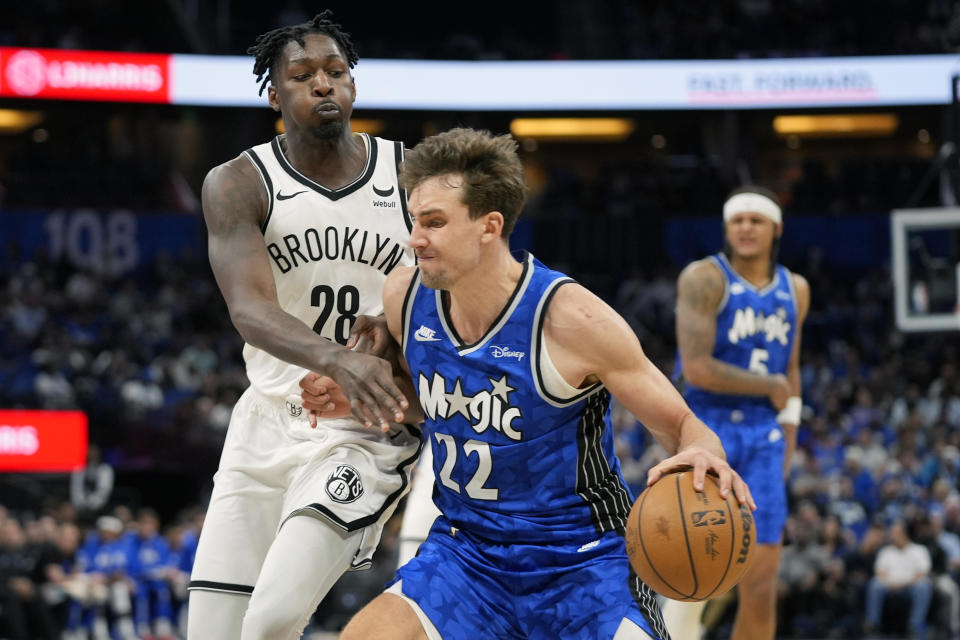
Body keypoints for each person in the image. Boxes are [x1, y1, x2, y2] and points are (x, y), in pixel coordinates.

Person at [311, 127, 754, 640]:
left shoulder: (573, 320)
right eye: (415, 221)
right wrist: (367, 393)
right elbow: (432, 403)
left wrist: (704, 454)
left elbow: (683, 425)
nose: (415, 239)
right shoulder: (405, 297)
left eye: (434, 222)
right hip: (466, 555)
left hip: (581, 562)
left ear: (489, 226)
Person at [185, 11, 422, 640]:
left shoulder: (410, 176)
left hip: (364, 423)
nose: (324, 85)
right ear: (274, 93)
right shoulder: (238, 182)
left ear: (353, 86)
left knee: (270, 623)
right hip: (265, 418)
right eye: (303, 74)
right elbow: (250, 309)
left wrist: (390, 353)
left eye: (336, 72)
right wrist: (337, 357)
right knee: (212, 632)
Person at [662, 185, 810, 640]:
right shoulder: (704, 279)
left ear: (776, 228)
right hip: (709, 430)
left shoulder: (796, 289)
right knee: (690, 574)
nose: (745, 228)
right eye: (736, 220)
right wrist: (769, 387)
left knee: (762, 585)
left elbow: (792, 370)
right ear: (726, 228)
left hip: (765, 436)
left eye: (756, 220)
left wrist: (788, 439)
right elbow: (699, 368)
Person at [863, 519, 933, 639]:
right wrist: (891, 584)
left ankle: (914, 626)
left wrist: (905, 584)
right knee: (875, 584)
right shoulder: (886, 551)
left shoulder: (919, 550)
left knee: (923, 585)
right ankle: (873, 624)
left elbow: (922, 573)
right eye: (892, 533)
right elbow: (879, 573)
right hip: (889, 586)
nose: (892, 536)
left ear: (904, 534)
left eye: (895, 533)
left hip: (910, 587)